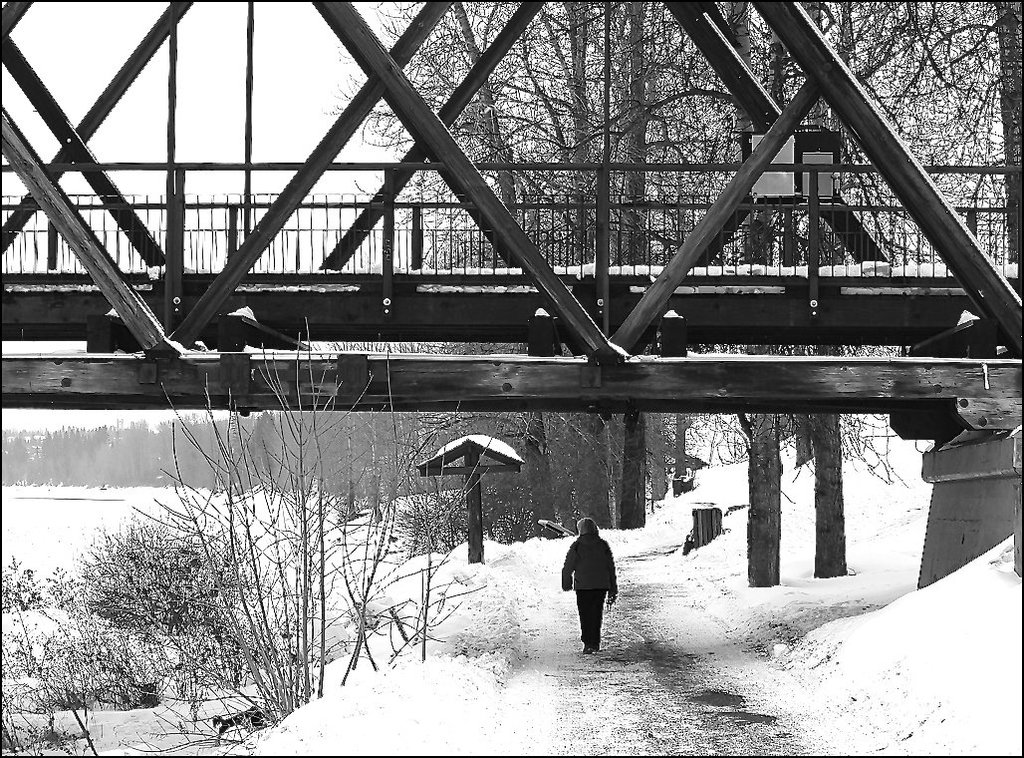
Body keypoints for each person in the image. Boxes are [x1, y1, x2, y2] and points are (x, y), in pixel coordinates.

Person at [561, 517, 617, 654]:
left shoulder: (577, 546)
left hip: (583, 586)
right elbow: (610, 566)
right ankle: (595, 642)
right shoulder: (603, 545)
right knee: (596, 613)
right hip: (600, 586)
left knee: (585, 614)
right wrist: (612, 588)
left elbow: (568, 566)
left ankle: (587, 642)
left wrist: (566, 583)